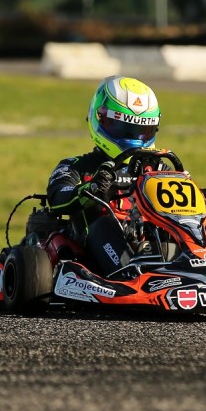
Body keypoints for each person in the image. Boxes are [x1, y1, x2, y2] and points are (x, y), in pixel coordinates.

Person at [46, 75, 161, 276]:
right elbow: (57, 198)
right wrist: (90, 188)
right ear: (98, 117)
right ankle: (130, 276)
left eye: (140, 130)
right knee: (104, 225)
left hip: (150, 243)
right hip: (94, 252)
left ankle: (204, 263)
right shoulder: (77, 166)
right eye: (122, 127)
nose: (131, 137)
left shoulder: (158, 168)